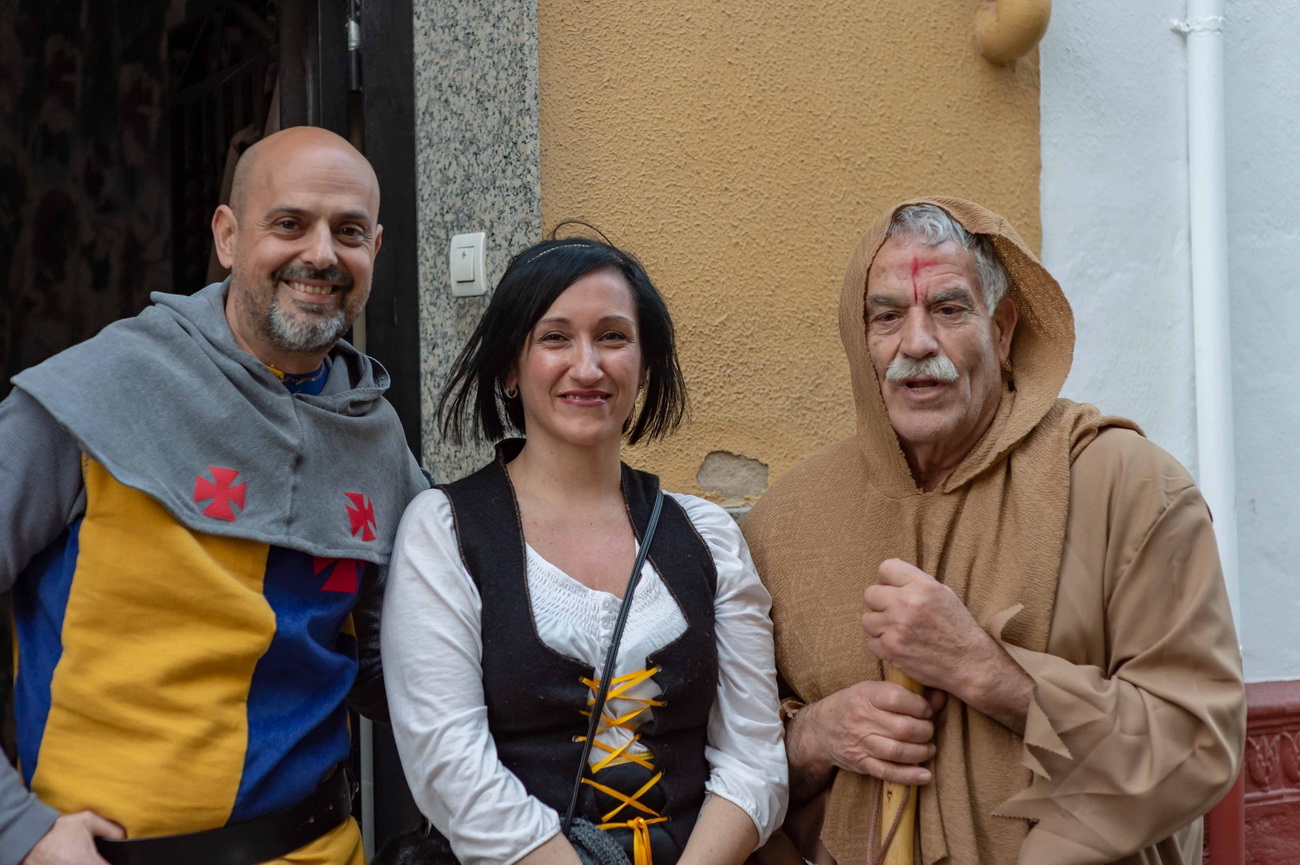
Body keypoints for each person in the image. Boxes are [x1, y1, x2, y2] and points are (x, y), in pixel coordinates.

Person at [742, 198, 1245, 865]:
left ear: (1002, 331)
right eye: (887, 316)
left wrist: (988, 671)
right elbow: (724, 771)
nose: (916, 344)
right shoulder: (784, 522)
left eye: (949, 310)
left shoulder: (1129, 486)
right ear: (860, 341)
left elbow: (1197, 744)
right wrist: (814, 737)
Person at [0, 126, 427, 865]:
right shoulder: (91, 393)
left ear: (376, 249)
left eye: (349, 231)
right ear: (227, 237)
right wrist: (19, 829)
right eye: (289, 223)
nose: (322, 254)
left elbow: (392, 666)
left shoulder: (377, 436)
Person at [380, 237, 788, 865]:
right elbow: (449, 765)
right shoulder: (445, 532)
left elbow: (755, 760)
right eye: (555, 338)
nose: (588, 366)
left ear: (644, 365)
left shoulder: (706, 536)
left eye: (613, 337)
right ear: (510, 368)